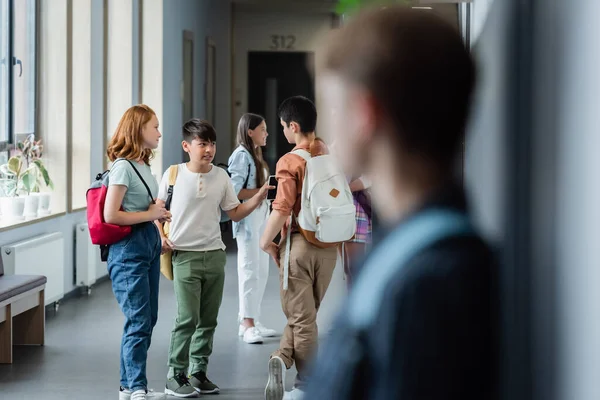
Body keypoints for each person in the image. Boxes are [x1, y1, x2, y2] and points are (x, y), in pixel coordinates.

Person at [304, 6, 498, 400]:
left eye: (330, 107)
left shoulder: (429, 286)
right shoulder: (412, 253)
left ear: (365, 114)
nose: (324, 127)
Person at [157, 119, 272, 398]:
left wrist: (258, 197)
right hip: (184, 256)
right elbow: (158, 210)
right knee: (187, 318)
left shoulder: (221, 177)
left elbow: (233, 211)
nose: (209, 149)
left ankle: (198, 372)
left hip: (215, 255)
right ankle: (175, 375)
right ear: (187, 146)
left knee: (208, 320)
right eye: (202, 143)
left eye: (212, 143)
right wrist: (160, 235)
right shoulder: (173, 174)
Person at [259, 96, 338, 400]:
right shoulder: (328, 153)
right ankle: (281, 356)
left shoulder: (290, 161)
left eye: (283, 128)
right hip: (329, 247)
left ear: (293, 126)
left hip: (300, 245)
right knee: (307, 315)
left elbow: (281, 207)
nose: (283, 133)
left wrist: (265, 241)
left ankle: (305, 386)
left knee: (301, 319)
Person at [104, 104, 169, 400]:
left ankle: (128, 385)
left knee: (148, 317)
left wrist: (158, 224)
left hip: (149, 244)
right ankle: (136, 387)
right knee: (139, 319)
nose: (159, 132)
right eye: (154, 126)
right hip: (128, 249)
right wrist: (151, 214)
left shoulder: (143, 166)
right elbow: (111, 215)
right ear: (138, 130)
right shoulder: (122, 167)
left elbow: (146, 210)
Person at [229, 113, 278, 344]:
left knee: (261, 271)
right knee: (249, 270)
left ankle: (253, 319)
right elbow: (235, 192)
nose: (266, 133)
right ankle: (246, 323)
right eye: (263, 129)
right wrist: (263, 192)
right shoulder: (240, 156)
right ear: (250, 131)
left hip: (261, 218)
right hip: (248, 221)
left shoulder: (255, 155)